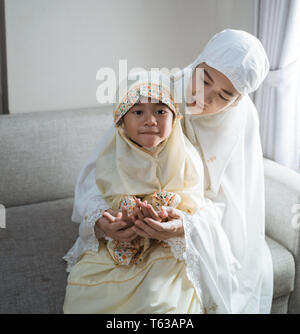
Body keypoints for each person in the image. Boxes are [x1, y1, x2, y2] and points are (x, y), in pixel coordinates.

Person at [63, 29, 274, 314]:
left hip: (180, 225)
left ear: (237, 101)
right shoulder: (155, 92)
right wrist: (103, 220)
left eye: (224, 95)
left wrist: (184, 227)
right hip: (128, 213)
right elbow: (104, 168)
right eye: (204, 80)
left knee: (159, 302)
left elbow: (233, 209)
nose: (204, 97)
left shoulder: (239, 126)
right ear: (198, 62)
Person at [63, 71, 215, 314]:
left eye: (160, 111)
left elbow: (196, 202)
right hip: (117, 243)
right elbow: (91, 199)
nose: (150, 120)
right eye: (138, 112)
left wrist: (173, 220)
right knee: (83, 293)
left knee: (160, 301)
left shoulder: (186, 158)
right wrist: (105, 221)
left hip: (165, 247)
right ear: (121, 119)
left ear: (174, 117)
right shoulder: (108, 157)